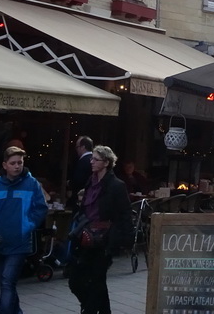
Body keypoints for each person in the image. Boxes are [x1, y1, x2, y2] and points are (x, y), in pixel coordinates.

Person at [0, 146, 48, 314]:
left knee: (7, 281)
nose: (17, 166)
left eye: (20, 162)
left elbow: (41, 208)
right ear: (5, 165)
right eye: (13, 163)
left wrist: (27, 226)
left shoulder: (31, 184)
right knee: (6, 282)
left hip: (20, 242)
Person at [67, 145, 133, 314]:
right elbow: (85, 208)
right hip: (86, 237)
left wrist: (123, 241)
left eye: (96, 159)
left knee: (97, 281)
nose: (92, 162)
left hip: (104, 240)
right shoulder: (91, 181)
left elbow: (125, 213)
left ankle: (89, 310)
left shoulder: (117, 185)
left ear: (106, 162)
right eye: (92, 158)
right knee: (76, 280)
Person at [67, 135, 93, 209]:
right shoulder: (94, 160)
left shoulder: (83, 161)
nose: (76, 150)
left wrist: (70, 183)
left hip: (81, 199)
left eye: (77, 147)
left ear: (83, 147)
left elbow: (78, 180)